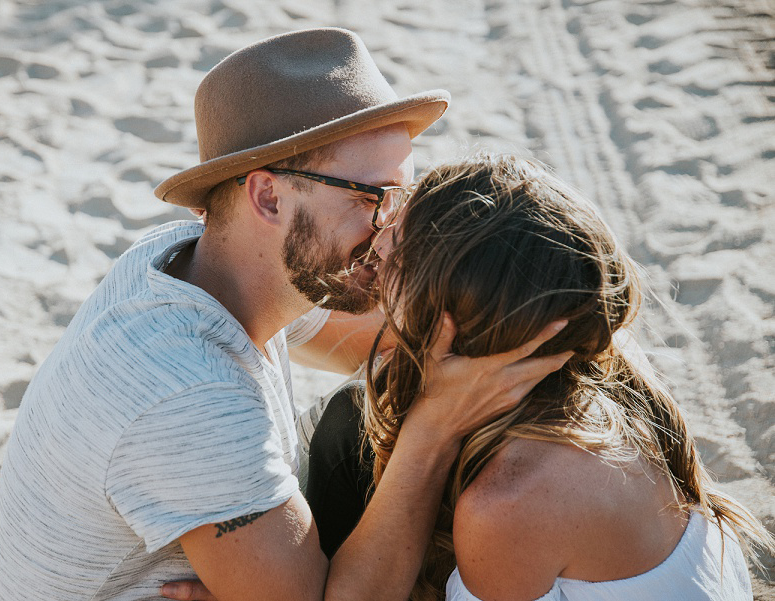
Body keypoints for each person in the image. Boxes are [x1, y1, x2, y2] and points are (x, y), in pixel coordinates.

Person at [0, 29, 571, 601]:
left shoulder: (209, 262)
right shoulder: (189, 392)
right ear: (268, 197)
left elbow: (393, 337)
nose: (393, 227)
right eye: (372, 196)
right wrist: (434, 431)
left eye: (403, 196)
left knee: (371, 407)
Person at [305, 153, 774, 601]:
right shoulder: (595, 363)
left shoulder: (509, 501)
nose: (378, 240)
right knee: (353, 419)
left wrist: (431, 428)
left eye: (402, 252)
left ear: (451, 324)